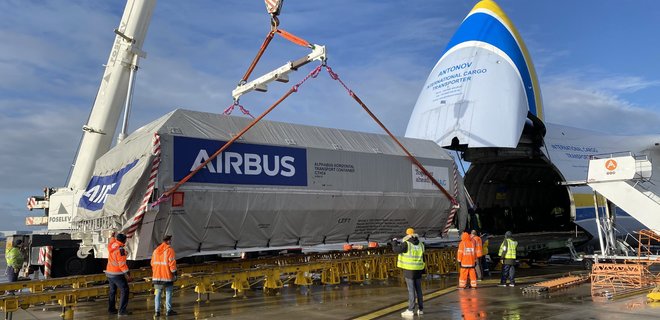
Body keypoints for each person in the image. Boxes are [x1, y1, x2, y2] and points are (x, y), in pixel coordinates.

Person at [391, 228, 425, 317]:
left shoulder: (406, 243)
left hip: (409, 270)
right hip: (418, 269)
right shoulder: (421, 244)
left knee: (411, 290)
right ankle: (421, 309)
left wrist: (394, 241)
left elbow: (396, 250)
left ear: (407, 235)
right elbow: (423, 257)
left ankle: (410, 310)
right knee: (419, 290)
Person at [151, 234, 178, 317]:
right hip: (167, 276)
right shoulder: (170, 250)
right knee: (168, 292)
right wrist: (175, 273)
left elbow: (152, 263)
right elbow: (172, 264)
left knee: (158, 293)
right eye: (170, 241)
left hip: (156, 276)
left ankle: (157, 312)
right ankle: (168, 311)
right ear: (168, 241)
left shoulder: (155, 251)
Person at [106, 233, 132, 316]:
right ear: (124, 240)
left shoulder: (113, 245)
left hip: (109, 272)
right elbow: (122, 265)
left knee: (112, 291)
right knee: (125, 290)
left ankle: (111, 309)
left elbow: (111, 241)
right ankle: (122, 311)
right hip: (117, 274)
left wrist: (112, 236)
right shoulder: (121, 250)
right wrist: (128, 274)